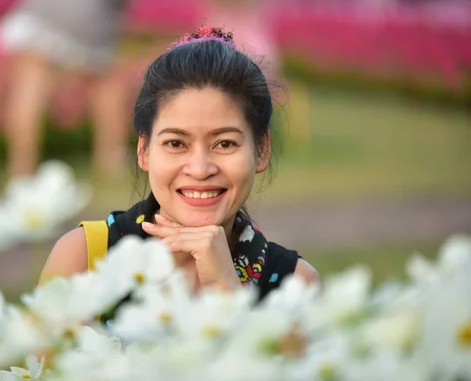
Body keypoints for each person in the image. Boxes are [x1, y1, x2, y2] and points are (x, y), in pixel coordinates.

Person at [39, 26, 319, 300]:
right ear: (144, 150)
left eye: (225, 143)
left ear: (261, 150)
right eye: (176, 143)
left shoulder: (294, 286)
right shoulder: (85, 259)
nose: (199, 169)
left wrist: (227, 291)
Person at [0, 0, 138, 179]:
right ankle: (110, 160)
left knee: (30, 87)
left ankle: (20, 169)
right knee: (106, 85)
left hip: (40, 7)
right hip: (89, 10)